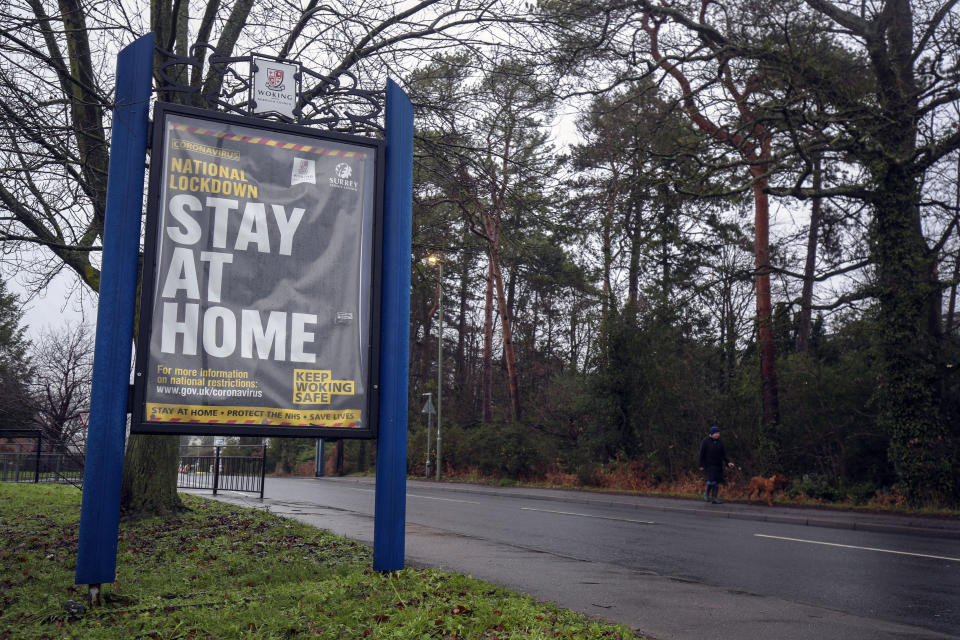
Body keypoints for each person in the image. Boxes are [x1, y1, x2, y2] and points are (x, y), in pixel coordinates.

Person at [699, 426, 734, 504]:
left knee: (717, 482)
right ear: (712, 433)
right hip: (709, 465)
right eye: (716, 433)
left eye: (718, 433)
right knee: (711, 481)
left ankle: (715, 498)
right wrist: (701, 465)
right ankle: (706, 494)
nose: (718, 434)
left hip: (718, 465)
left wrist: (728, 463)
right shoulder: (705, 441)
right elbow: (701, 454)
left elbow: (723, 454)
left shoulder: (720, 442)